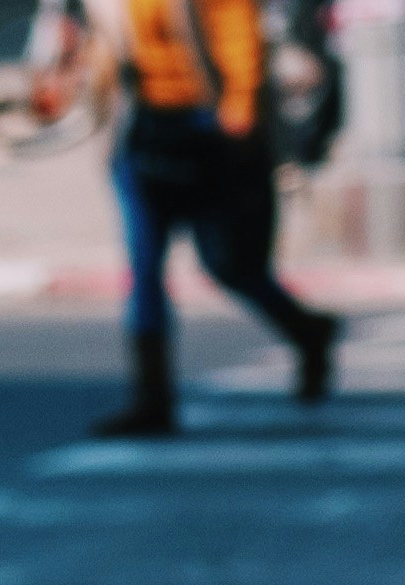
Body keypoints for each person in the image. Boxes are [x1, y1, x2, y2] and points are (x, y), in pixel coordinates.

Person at [71, 0, 332, 443]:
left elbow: (237, 25)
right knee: (144, 268)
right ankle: (153, 398)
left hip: (208, 126)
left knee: (230, 265)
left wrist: (242, 97)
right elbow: (101, 46)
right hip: (141, 130)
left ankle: (307, 331)